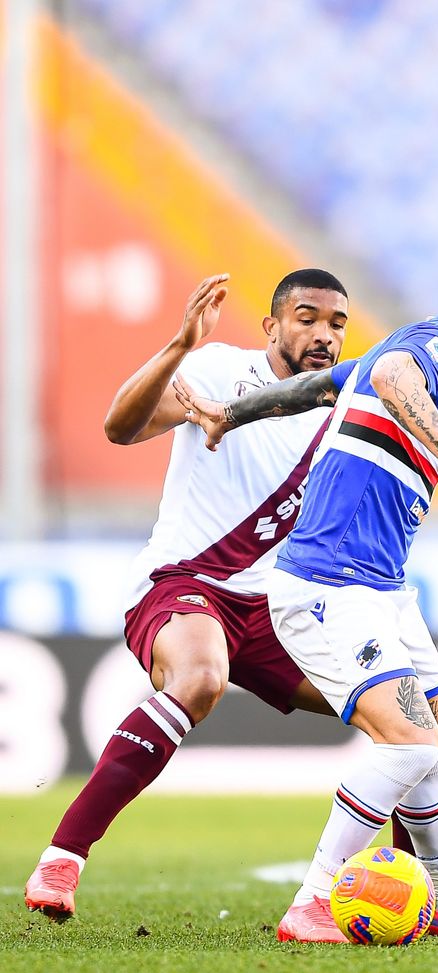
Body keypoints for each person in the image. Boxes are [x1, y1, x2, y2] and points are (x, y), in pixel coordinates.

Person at [175, 241, 438, 943]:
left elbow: (322, 387)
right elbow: (387, 372)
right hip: (328, 583)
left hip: (381, 587)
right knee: (411, 743)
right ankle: (313, 900)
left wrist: (229, 415)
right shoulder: (431, 345)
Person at [24, 267, 354, 920]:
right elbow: (121, 428)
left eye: (336, 323)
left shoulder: (339, 411)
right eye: (307, 316)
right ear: (272, 325)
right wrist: (178, 344)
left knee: (402, 714)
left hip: (265, 607)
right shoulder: (219, 371)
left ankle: (437, 885)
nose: (322, 334)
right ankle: (63, 857)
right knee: (201, 676)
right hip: (181, 585)